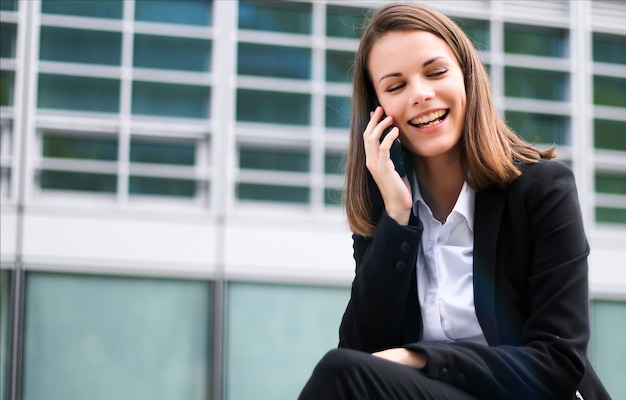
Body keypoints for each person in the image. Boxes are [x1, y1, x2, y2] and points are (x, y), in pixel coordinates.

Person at [298, 2, 611, 400]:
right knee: (341, 372)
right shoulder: (387, 214)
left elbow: (558, 363)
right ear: (377, 112)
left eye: (436, 72)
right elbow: (361, 355)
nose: (421, 95)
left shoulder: (543, 190)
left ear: (466, 78)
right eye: (396, 86)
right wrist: (396, 219)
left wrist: (422, 358)